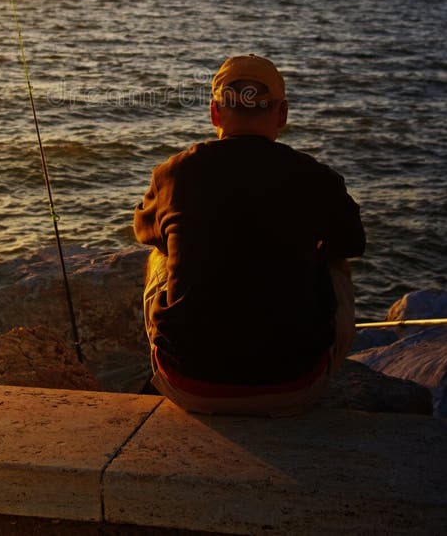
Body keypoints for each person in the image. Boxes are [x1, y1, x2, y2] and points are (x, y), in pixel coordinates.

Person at [134, 54, 366, 415]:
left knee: (159, 253)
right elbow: (354, 243)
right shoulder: (316, 177)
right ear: (282, 114)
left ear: (215, 113)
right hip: (294, 386)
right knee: (336, 261)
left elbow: (142, 230)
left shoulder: (176, 173)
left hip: (190, 384)